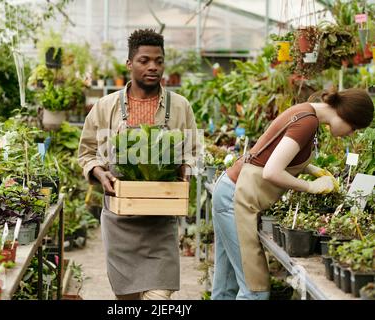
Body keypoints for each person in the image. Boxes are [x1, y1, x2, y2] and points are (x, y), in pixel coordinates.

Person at [211, 88, 374, 300]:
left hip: (230, 190)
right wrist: (310, 186)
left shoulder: (305, 111)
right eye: (354, 128)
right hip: (235, 198)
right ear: (346, 114)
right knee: (255, 290)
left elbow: (276, 153)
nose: (351, 134)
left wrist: (310, 169)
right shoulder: (308, 122)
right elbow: (271, 171)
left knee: (226, 286)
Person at [78, 29, 198, 300]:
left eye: (159, 60)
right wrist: (99, 172)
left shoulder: (180, 107)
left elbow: (191, 151)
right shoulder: (105, 106)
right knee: (127, 300)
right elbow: (86, 153)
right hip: (120, 222)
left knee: (159, 297)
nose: (153, 66)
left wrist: (185, 171)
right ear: (130, 64)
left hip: (161, 221)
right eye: (144, 60)